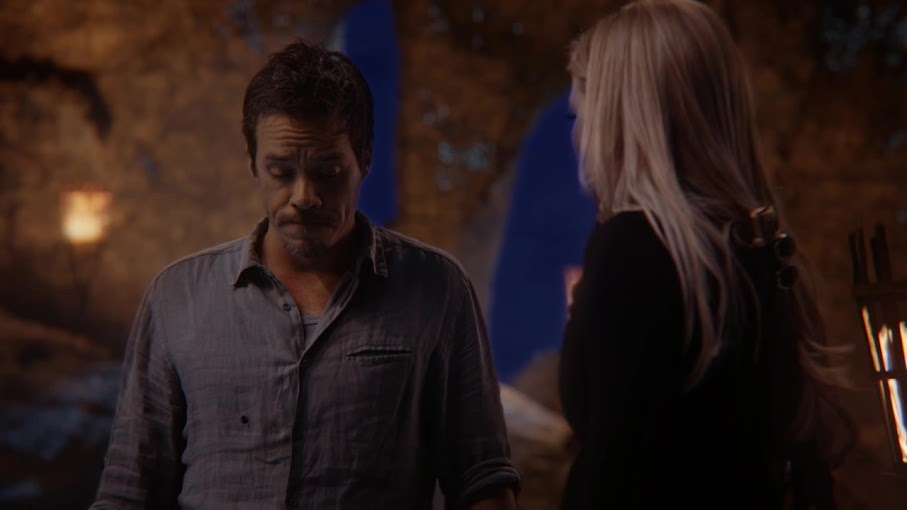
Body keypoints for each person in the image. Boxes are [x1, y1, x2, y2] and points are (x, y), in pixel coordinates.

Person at [91, 39, 519, 509]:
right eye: (281, 172)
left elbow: (481, 478)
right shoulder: (178, 296)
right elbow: (130, 487)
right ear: (253, 165)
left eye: (328, 171)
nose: (304, 197)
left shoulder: (436, 288)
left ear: (364, 161)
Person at [558, 1, 854, 508]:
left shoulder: (633, 248)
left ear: (619, 119)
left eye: (580, 113)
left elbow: (612, 470)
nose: (577, 134)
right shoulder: (754, 245)